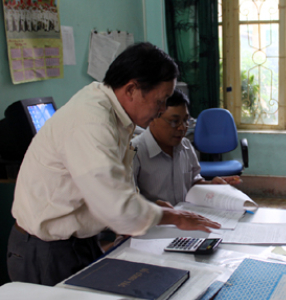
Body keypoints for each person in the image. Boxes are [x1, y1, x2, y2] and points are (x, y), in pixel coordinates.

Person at [7, 42, 220, 286]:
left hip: (78, 243)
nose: (161, 110)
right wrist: (169, 216)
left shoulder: (113, 113)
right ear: (131, 89)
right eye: (159, 101)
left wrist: (147, 206)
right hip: (46, 251)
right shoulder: (91, 122)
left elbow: (115, 185)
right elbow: (116, 206)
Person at [131, 89, 241, 206]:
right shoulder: (134, 152)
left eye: (185, 120)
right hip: (155, 222)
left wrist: (211, 185)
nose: (182, 127)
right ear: (152, 119)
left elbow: (193, 182)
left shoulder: (185, 146)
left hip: (186, 218)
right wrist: (154, 207)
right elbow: (125, 202)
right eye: (174, 121)